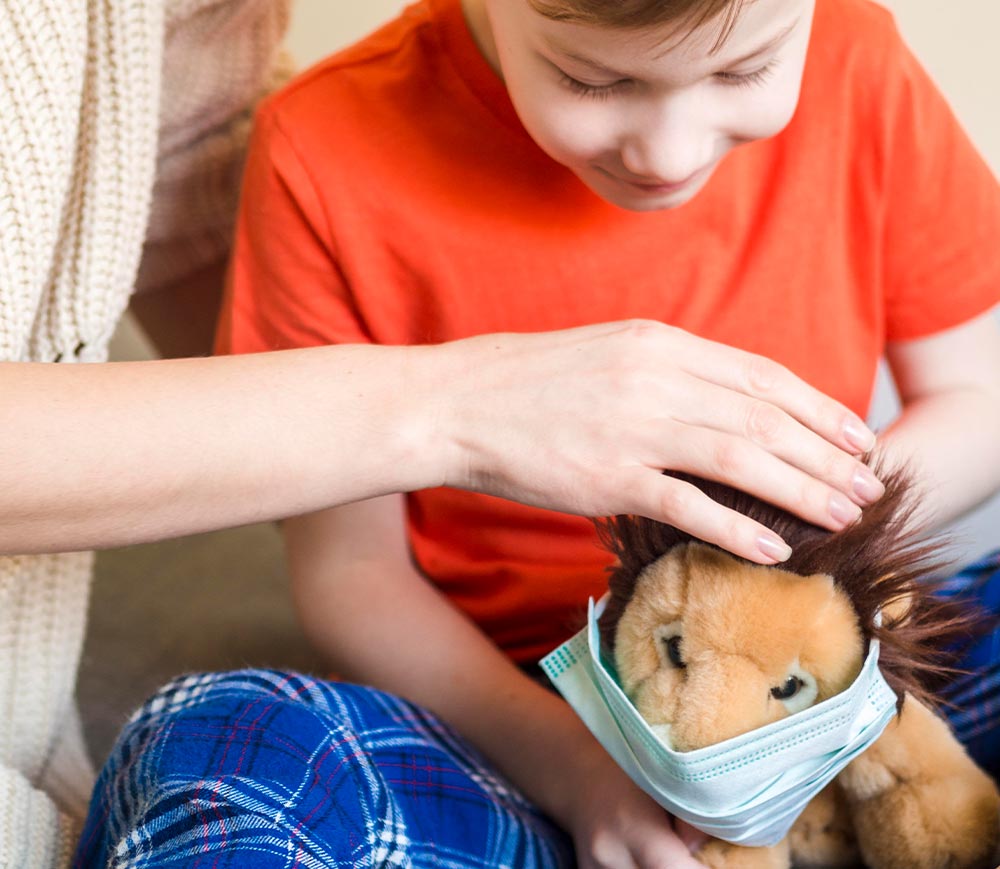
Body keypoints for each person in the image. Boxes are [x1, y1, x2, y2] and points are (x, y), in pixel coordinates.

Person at [75, 0, 1000, 867]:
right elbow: (351, 574)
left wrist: (804, 544)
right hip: (511, 716)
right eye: (595, 81)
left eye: (744, 70)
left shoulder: (859, 58)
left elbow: (977, 397)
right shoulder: (322, 150)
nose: (669, 153)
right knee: (224, 737)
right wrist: (576, 770)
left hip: (854, 661)